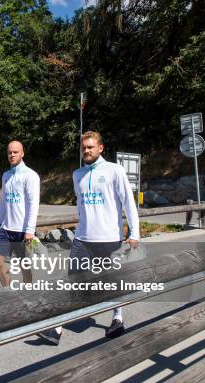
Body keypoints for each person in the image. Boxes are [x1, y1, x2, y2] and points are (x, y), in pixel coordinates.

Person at [39, 130, 140, 345]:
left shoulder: (115, 171)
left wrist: (135, 233)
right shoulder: (78, 175)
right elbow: (82, 206)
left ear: (100, 148)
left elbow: (129, 204)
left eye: (91, 147)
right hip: (83, 238)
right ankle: (57, 328)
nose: (86, 150)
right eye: (84, 147)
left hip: (109, 238)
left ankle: (117, 318)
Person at [0, 140, 40, 287]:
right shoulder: (6, 175)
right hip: (7, 228)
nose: (12, 155)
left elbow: (33, 204)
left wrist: (30, 230)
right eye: (9, 152)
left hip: (23, 230)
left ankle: (29, 292)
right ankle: (8, 293)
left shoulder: (30, 175)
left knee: (23, 265)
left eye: (15, 152)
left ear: (22, 153)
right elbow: (4, 203)